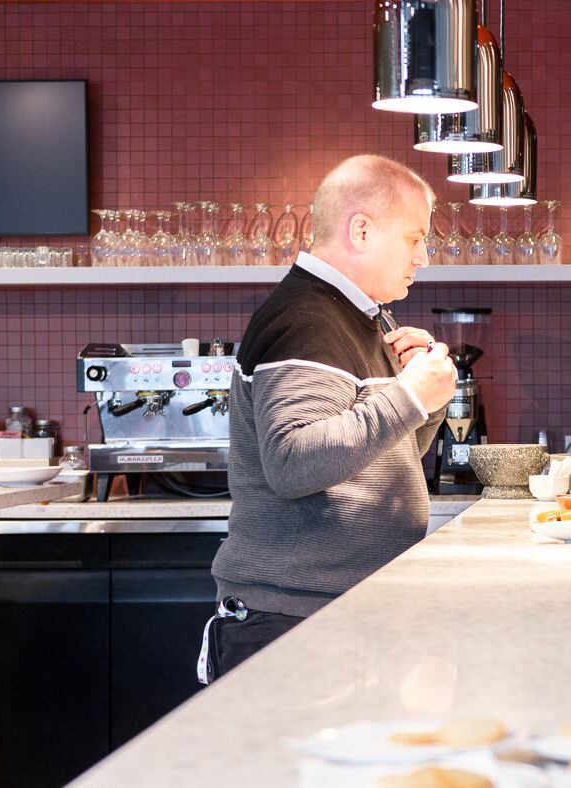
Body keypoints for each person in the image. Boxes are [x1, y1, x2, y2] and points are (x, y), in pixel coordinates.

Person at [201, 155, 457, 682]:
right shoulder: (306, 318)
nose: (424, 257)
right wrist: (408, 397)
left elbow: (379, 455)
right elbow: (293, 463)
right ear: (361, 230)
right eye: (414, 239)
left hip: (333, 615)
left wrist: (426, 399)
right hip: (291, 626)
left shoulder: (361, 314)